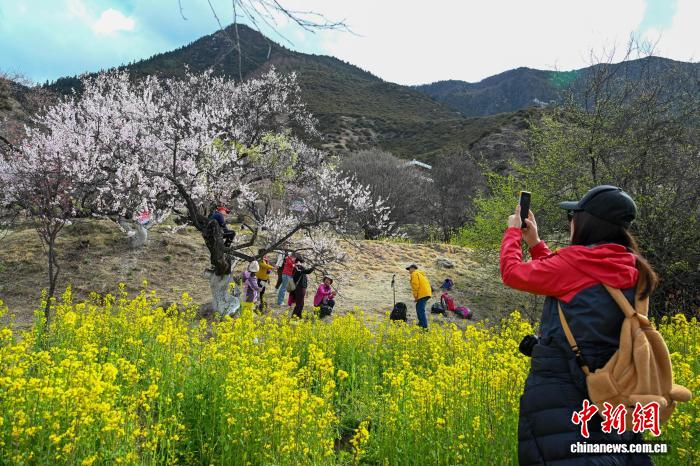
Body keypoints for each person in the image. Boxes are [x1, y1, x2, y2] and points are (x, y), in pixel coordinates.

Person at [500, 185, 656, 465]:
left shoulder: (575, 263)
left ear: (587, 222)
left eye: (572, 216)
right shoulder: (634, 268)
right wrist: (535, 244)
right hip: (615, 392)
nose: (571, 222)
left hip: (564, 398)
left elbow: (512, 273)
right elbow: (568, 283)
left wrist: (513, 232)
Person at [407, 264, 431, 329]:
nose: (409, 271)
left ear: (413, 268)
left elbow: (415, 286)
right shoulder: (421, 274)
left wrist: (416, 297)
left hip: (422, 294)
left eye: (409, 269)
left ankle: (424, 327)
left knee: (420, 309)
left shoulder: (414, 274)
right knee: (419, 307)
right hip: (426, 293)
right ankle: (421, 324)